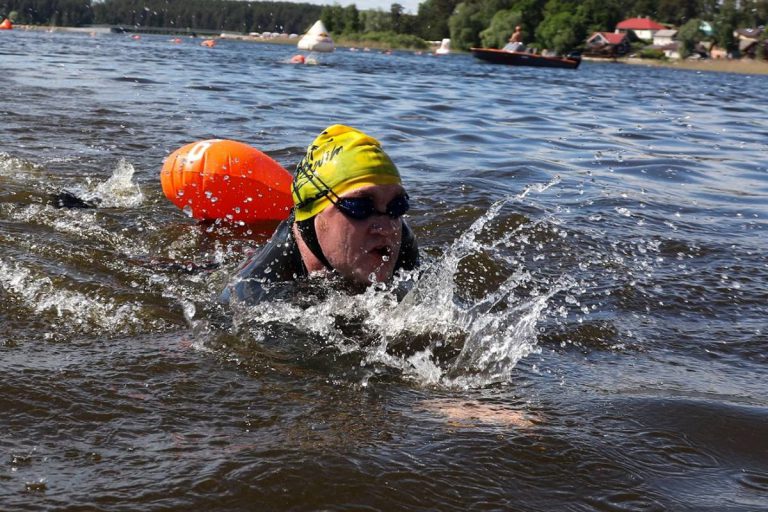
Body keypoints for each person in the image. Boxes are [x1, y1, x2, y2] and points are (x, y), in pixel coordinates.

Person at [220, 124, 419, 304]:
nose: (386, 228)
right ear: (313, 211)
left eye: (397, 206)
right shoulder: (251, 296)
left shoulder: (401, 242)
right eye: (360, 207)